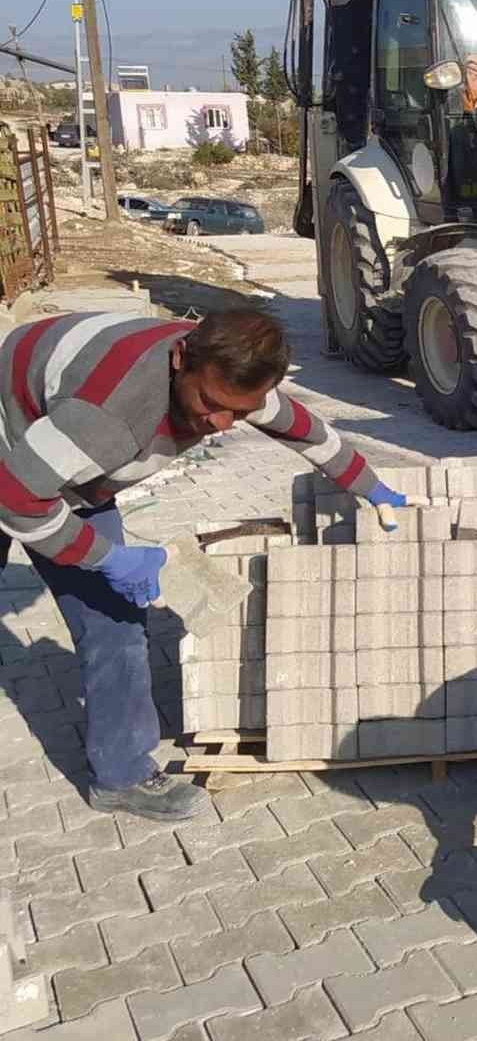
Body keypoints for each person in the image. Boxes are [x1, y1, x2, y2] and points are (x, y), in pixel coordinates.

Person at [0, 306, 415, 822]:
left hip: (64, 452)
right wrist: (106, 557)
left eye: (239, 414)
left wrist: (368, 484)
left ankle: (120, 776)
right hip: (15, 437)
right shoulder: (108, 416)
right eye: (211, 405)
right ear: (179, 359)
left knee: (116, 623)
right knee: (69, 549)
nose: (220, 425)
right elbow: (15, 497)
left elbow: (303, 428)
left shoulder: (228, 373)